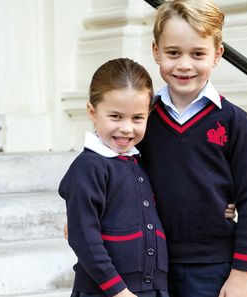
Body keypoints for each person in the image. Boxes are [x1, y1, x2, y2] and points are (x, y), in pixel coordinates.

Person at [138, 1, 247, 296]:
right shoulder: (143, 118)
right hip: (150, 259)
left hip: (212, 264)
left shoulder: (233, 120)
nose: (184, 64)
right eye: (173, 53)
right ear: (156, 51)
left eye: (197, 53)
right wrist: (84, 214)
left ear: (217, 55)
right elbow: (112, 171)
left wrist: (241, 275)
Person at [59, 58, 170, 297]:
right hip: (105, 292)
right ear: (92, 111)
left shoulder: (137, 161)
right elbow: (84, 238)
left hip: (150, 289)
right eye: (116, 116)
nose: (127, 128)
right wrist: (118, 290)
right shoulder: (89, 167)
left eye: (137, 118)